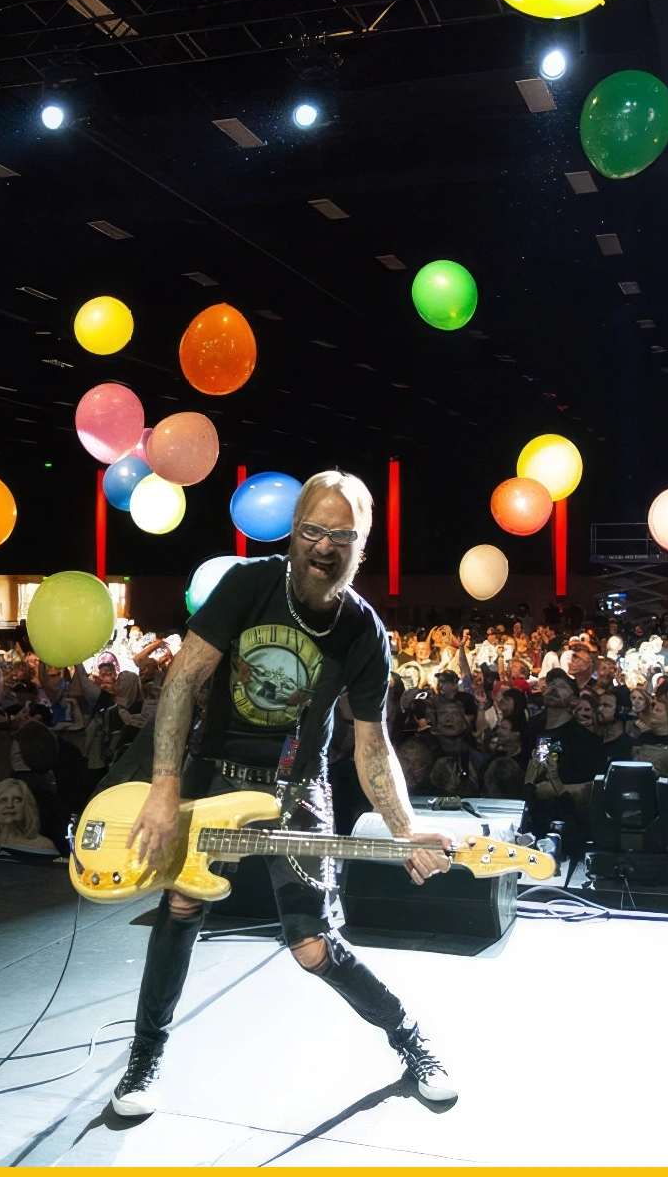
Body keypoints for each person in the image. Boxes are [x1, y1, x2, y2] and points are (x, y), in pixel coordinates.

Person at [115, 471, 457, 1117]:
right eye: (312, 531)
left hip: (297, 787)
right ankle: (144, 1058)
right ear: (294, 531)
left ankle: (410, 1039)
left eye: (341, 536)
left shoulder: (363, 631)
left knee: (313, 947)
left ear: (362, 545)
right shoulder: (248, 585)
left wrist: (405, 829)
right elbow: (184, 682)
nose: (324, 548)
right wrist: (164, 789)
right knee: (182, 905)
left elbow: (372, 744)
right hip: (214, 771)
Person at [0, 778, 56, 851]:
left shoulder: (43, 846)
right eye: (3, 800)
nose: (10, 805)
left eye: (17, 800)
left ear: (27, 807)